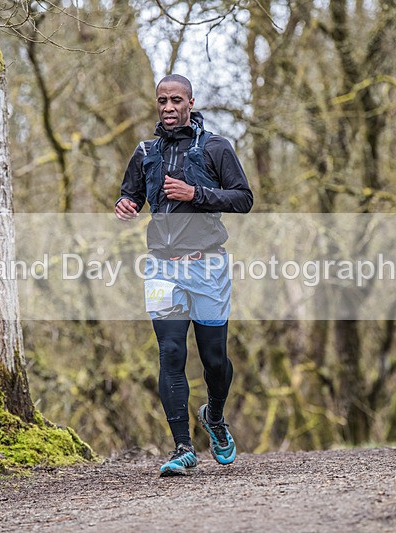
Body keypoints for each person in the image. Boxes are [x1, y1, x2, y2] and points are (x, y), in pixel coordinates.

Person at [115, 74, 253, 476]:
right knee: (171, 352)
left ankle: (215, 416)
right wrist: (125, 205)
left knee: (214, 359)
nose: (169, 107)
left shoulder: (216, 148)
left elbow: (243, 198)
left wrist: (196, 194)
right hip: (161, 266)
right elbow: (132, 194)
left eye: (176, 100)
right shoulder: (145, 151)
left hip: (208, 264)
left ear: (191, 102)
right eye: (162, 100)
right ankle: (182, 447)